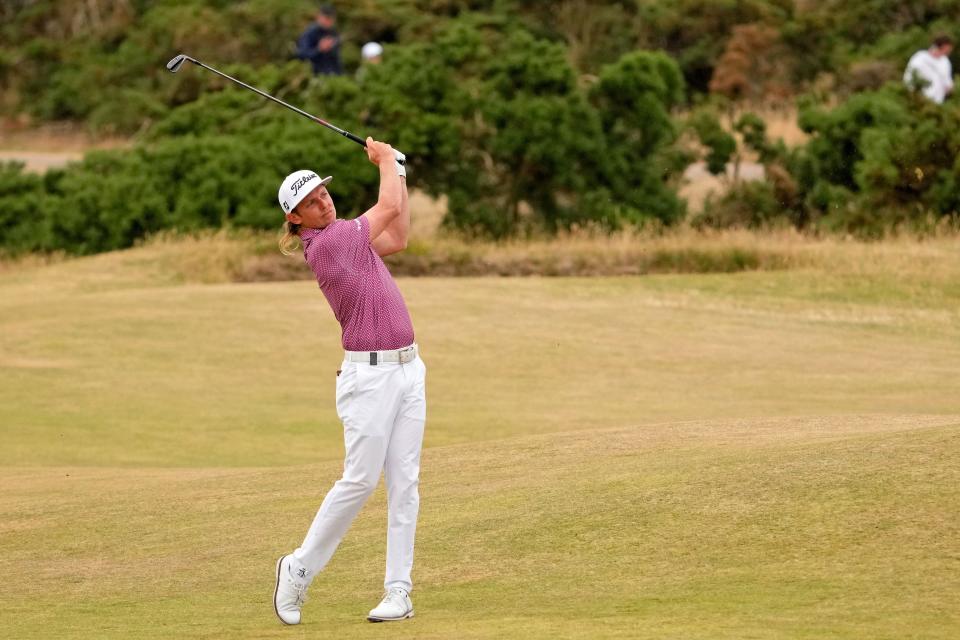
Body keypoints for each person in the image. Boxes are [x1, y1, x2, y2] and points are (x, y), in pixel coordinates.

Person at [272, 139, 423, 626]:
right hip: (369, 378)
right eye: (311, 202)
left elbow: (397, 235)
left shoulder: (346, 235)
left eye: (323, 193)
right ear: (296, 219)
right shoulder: (330, 244)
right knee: (359, 480)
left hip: (407, 369)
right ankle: (298, 568)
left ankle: (398, 591)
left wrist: (397, 167)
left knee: (405, 484)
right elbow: (389, 206)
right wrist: (387, 163)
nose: (324, 202)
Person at [903, 35, 954, 104]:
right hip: (918, 100)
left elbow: (947, 82)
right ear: (943, 46)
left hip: (937, 103)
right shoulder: (920, 57)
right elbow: (910, 76)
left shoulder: (945, 62)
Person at [296, 4, 343, 76]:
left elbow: (336, 59)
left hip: (332, 74)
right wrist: (319, 49)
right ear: (319, 17)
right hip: (313, 75)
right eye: (327, 18)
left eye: (331, 19)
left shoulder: (334, 33)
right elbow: (301, 55)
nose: (329, 22)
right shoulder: (310, 33)